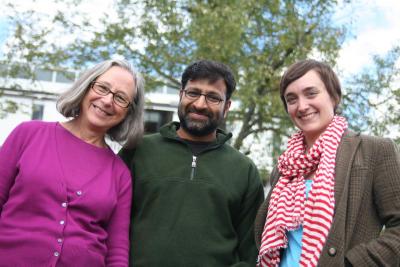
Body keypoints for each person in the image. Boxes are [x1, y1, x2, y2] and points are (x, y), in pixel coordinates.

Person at [119, 59, 265, 267]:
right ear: (181, 95)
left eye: (213, 97)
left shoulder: (244, 170)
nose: (200, 104)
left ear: (227, 107)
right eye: (193, 93)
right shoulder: (138, 151)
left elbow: (251, 250)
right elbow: (110, 223)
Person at [255, 59, 400, 267]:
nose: (302, 106)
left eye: (311, 93)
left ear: (333, 96)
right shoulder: (284, 168)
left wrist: (350, 264)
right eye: (291, 99)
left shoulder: (374, 150)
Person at [0, 59, 145, 266]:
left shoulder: (120, 173)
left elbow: (117, 249)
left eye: (120, 98)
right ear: (86, 87)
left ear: (128, 112)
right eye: (102, 88)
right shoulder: (28, 134)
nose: (107, 101)